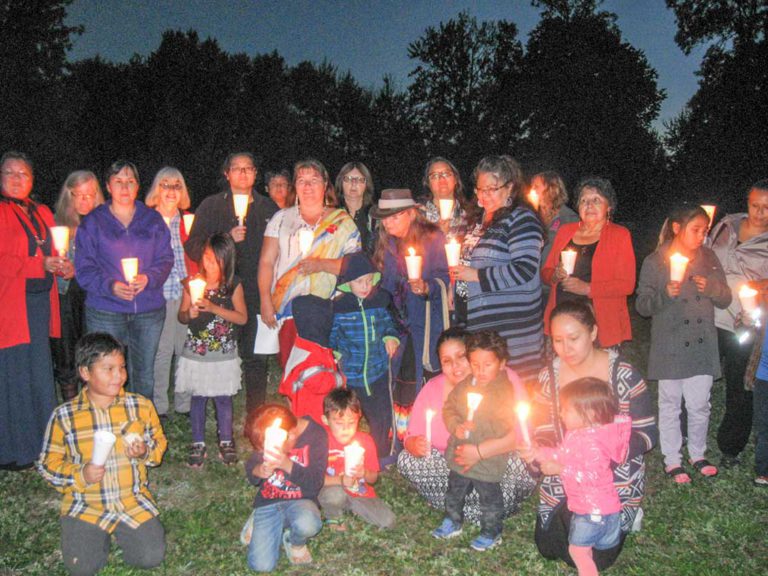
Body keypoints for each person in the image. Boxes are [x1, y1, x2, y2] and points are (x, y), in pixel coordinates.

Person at [533, 301, 657, 571]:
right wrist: (542, 451)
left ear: (593, 333)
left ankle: (628, 512)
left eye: (574, 338)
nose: (566, 349)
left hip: (613, 477)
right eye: (558, 340)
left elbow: (646, 434)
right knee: (549, 548)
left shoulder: (624, 375)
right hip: (566, 473)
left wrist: (599, 459)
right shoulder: (549, 377)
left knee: (597, 558)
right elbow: (541, 425)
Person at [37, 332, 167, 576]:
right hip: (86, 504)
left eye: (122, 367)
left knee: (150, 557)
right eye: (108, 369)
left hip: (131, 501)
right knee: (82, 567)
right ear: (85, 373)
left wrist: (144, 452)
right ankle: (93, 536)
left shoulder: (140, 406)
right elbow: (47, 464)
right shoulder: (65, 416)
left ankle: (119, 532)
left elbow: (158, 444)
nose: (119, 376)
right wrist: (81, 474)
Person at [397, 327, 535, 524]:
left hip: (494, 464)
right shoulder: (433, 388)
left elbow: (523, 434)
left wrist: (479, 452)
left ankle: (459, 507)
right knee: (406, 460)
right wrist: (415, 445)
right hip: (452, 467)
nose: (456, 366)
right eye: (447, 361)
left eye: (461, 357)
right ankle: (483, 509)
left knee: (519, 462)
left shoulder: (504, 379)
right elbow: (410, 437)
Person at [636, 205, 731, 482]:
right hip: (670, 344)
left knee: (700, 404)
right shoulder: (656, 261)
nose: (701, 236)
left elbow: (726, 298)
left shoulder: (709, 257)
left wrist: (712, 288)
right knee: (670, 404)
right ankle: (672, 459)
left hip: (701, 344)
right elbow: (642, 305)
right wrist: (665, 294)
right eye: (695, 230)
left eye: (705, 231)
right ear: (677, 228)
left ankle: (698, 453)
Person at [186, 152, 278, 414]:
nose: (243, 173)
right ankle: (217, 416)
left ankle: (255, 416)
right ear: (227, 174)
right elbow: (193, 246)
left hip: (255, 290)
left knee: (255, 357)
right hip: (220, 293)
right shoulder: (211, 206)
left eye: (249, 168)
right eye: (237, 168)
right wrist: (226, 240)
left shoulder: (268, 208)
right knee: (216, 356)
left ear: (256, 173)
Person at [75, 160, 173, 400]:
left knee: (144, 373)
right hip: (106, 309)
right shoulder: (93, 222)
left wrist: (149, 278)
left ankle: (141, 419)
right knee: (106, 373)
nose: (124, 187)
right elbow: (84, 268)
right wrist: (111, 286)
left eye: (130, 181)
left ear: (138, 186)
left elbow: (165, 258)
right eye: (118, 181)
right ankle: (108, 420)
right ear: (108, 186)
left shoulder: (152, 220)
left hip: (148, 309)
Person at [524, 378, 632, 576]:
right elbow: (561, 454)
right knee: (591, 548)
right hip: (599, 510)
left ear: (589, 414)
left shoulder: (593, 443)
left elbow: (593, 476)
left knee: (578, 551)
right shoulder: (577, 434)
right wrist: (539, 452)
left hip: (593, 511)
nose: (561, 414)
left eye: (566, 409)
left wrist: (561, 470)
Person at [259, 158, 360, 369]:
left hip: (328, 308)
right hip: (289, 308)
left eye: (314, 180)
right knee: (293, 370)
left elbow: (355, 267)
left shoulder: (342, 221)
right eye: (301, 180)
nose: (307, 186)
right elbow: (267, 262)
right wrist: (265, 300)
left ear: (325, 185)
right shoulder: (281, 219)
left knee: (323, 373)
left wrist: (321, 265)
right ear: (295, 186)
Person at [450, 155, 544, 382]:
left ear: (509, 187)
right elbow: (468, 261)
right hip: (479, 319)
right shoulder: (479, 221)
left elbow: (525, 269)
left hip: (511, 325)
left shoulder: (522, 219)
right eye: (479, 189)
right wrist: (457, 290)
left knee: (513, 386)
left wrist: (476, 276)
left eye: (491, 189)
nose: (483, 195)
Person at [1, 151, 64, 469]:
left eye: (23, 173)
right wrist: (38, 265)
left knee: (39, 374)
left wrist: (63, 265)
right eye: (9, 173)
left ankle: (45, 444)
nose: (16, 179)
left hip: (39, 305)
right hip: (10, 306)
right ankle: (14, 450)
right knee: (14, 374)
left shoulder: (42, 212)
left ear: (32, 179)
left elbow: (55, 250)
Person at [431, 330, 517, 552]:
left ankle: (491, 531)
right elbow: (449, 408)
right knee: (454, 490)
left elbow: (506, 424)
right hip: (460, 454)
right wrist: (456, 426)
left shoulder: (504, 391)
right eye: (475, 364)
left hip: (487, 459)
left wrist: (478, 427)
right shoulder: (466, 385)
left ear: (501, 363)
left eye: (488, 364)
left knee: (489, 498)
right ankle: (453, 520)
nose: (480, 370)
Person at [709, 181, 768, 469]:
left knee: (739, 384)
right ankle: (685, 436)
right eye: (755, 205)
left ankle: (731, 446)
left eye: (767, 207)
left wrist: (760, 285)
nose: (760, 212)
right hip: (707, 315)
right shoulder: (726, 224)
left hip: (743, 321)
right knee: (697, 379)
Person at [177, 233, 246, 467]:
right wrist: (189, 314)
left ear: (226, 261)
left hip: (223, 353)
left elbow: (242, 317)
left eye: (216, 261)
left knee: (223, 397)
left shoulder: (232, 286)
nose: (209, 264)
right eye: (206, 257)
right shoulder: (192, 284)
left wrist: (214, 308)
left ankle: (226, 439)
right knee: (198, 396)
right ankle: (198, 441)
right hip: (197, 352)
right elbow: (181, 315)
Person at [542, 177, 635, 349]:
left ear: (609, 207)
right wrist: (554, 275)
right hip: (562, 320)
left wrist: (587, 288)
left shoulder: (619, 235)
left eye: (596, 200)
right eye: (584, 201)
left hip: (599, 323)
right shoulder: (565, 231)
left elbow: (627, 285)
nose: (589, 205)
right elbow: (546, 271)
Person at [330, 252, 400, 460]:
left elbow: (388, 323)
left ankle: (381, 454)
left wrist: (390, 337)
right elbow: (333, 334)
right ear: (347, 283)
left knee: (382, 414)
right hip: (353, 375)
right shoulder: (340, 308)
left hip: (378, 370)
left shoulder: (377, 303)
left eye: (369, 280)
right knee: (353, 415)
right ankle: (348, 452)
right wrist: (334, 352)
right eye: (359, 282)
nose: (365, 286)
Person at [242, 403, 328, 571]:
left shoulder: (316, 435)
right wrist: (259, 470)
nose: (265, 450)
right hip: (269, 501)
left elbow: (315, 482)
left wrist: (287, 464)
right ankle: (257, 519)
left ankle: (294, 541)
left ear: (291, 435)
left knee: (308, 523)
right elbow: (252, 466)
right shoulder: (271, 431)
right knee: (261, 566)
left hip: (301, 500)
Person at [145, 167, 196, 420]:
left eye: (177, 186)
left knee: (184, 348)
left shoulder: (187, 220)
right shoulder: (147, 220)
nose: (171, 191)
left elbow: (196, 254)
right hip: (159, 293)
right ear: (157, 188)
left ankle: (184, 403)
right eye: (165, 185)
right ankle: (160, 405)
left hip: (185, 293)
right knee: (163, 350)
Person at [51, 170, 105, 402]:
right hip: (66, 295)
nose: (85, 200)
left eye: (90, 194)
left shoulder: (104, 223)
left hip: (94, 296)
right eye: (79, 195)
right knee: (66, 351)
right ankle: (71, 404)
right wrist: (58, 266)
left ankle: (94, 402)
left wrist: (79, 269)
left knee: (93, 350)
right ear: (69, 195)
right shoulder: (56, 224)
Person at [319, 389, 396, 530]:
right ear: (326, 420)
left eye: (351, 422)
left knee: (388, 521)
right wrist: (341, 480)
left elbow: (373, 478)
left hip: (359, 492)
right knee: (334, 496)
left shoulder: (366, 441)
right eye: (339, 423)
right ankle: (334, 516)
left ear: (359, 418)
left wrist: (364, 473)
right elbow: (316, 479)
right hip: (333, 488)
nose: (346, 429)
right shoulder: (320, 441)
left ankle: (352, 507)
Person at [279, 295, 344, 423]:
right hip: (312, 411)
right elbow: (319, 383)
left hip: (308, 404)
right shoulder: (310, 354)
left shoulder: (304, 344)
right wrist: (342, 377)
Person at [530, 171, 579, 272]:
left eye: (536, 186)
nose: (532, 190)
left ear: (551, 189)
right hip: (532, 277)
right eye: (532, 186)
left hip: (553, 277)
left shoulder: (569, 218)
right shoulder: (531, 217)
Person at [419, 157, 471, 239]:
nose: (441, 179)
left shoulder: (470, 215)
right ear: (428, 183)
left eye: (446, 174)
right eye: (435, 176)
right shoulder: (417, 215)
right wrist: (438, 234)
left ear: (456, 179)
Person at [335, 161, 376, 254]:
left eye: (359, 179)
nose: (354, 183)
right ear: (340, 182)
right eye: (348, 179)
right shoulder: (331, 214)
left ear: (367, 184)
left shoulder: (375, 216)